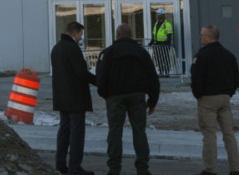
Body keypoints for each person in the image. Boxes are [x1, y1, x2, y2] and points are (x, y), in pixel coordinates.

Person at [96, 22, 159, 175]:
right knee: (139, 131)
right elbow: (153, 77)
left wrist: (105, 94)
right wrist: (152, 101)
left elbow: (100, 76)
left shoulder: (108, 53)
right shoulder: (141, 53)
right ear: (131, 36)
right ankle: (143, 169)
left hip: (115, 97)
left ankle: (114, 169)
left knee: (115, 132)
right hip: (137, 96)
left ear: (117, 35)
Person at [188, 25, 239, 175]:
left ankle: (210, 169)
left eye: (202, 35)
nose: (200, 37)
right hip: (225, 99)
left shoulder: (202, 55)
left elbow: (196, 77)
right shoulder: (228, 55)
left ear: (210, 37)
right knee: (229, 134)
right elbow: (236, 78)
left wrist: (198, 94)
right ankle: (235, 169)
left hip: (208, 99)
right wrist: (229, 92)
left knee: (209, 134)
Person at [50, 21, 96, 175]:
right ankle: (75, 166)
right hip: (75, 97)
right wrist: (99, 81)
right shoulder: (72, 48)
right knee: (77, 132)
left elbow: (65, 70)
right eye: (80, 34)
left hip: (61, 96)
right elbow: (80, 73)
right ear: (74, 32)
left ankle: (60, 163)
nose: (80, 38)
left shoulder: (56, 48)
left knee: (64, 129)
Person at [149, 12, 176, 76]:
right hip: (157, 45)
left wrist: (167, 43)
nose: (158, 16)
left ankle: (166, 73)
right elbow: (154, 34)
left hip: (164, 44)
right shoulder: (156, 24)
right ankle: (161, 72)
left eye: (160, 15)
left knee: (165, 59)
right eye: (157, 15)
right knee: (159, 59)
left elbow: (169, 35)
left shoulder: (167, 24)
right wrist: (151, 42)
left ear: (163, 15)